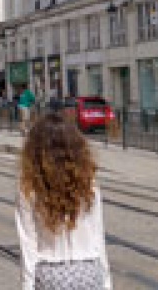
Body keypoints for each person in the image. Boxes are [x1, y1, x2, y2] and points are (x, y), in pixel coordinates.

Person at [16, 114, 110, 289]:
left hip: (51, 273)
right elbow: (98, 234)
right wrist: (106, 281)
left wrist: (27, 285)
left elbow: (28, 243)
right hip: (89, 271)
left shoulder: (29, 188)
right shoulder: (88, 183)